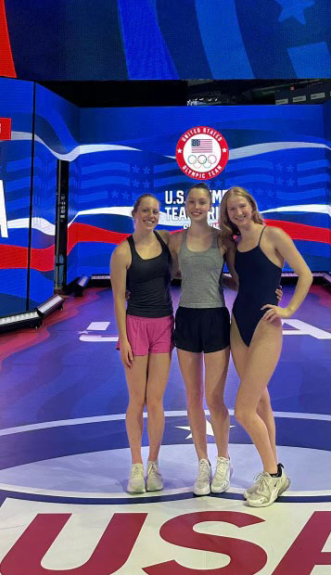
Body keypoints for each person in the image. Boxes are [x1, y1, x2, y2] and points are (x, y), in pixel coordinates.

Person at [219, 185, 313, 508]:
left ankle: (274, 475)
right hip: (238, 325)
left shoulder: (273, 236)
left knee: (243, 410)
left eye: (242, 206)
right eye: (232, 210)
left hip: (266, 326)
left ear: (252, 205)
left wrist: (287, 309)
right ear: (227, 215)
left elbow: (305, 275)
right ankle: (270, 471)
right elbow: (239, 283)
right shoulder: (233, 245)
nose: (238, 213)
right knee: (260, 403)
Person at [169, 183, 237, 496]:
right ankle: (203, 462)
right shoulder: (175, 240)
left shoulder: (223, 238)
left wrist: (270, 292)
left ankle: (223, 459)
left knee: (214, 397)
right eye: (192, 201)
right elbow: (165, 275)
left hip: (215, 319)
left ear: (210, 205)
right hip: (186, 318)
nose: (197, 206)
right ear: (185, 205)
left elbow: (238, 279)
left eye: (202, 202)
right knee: (193, 394)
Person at [110, 193, 173, 494]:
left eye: (155, 211)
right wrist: (123, 339)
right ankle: (136, 464)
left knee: (156, 401)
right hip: (135, 326)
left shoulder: (165, 240)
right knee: (137, 400)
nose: (151, 215)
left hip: (164, 326)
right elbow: (119, 300)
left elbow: (201, 249)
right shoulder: (122, 252)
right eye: (145, 210)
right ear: (134, 214)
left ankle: (153, 463)